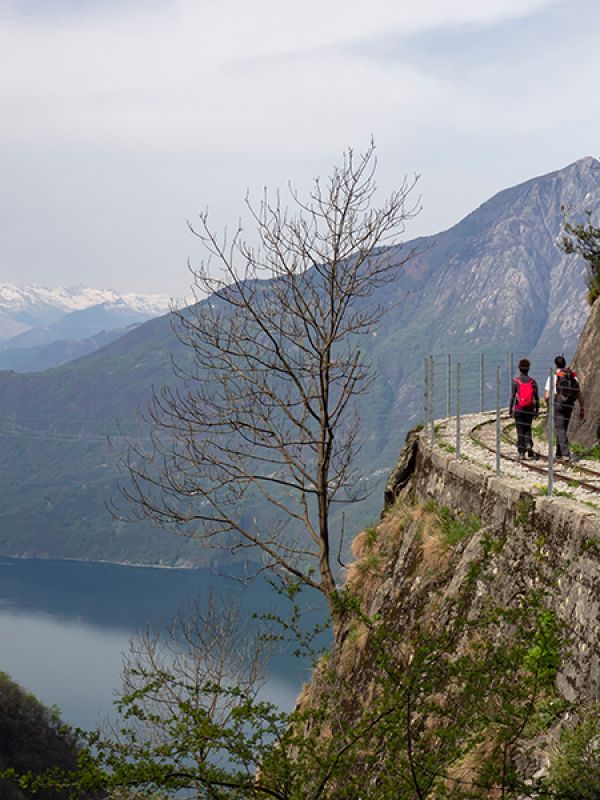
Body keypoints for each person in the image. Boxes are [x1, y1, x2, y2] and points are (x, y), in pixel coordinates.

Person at [544, 355, 585, 462]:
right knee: (562, 428)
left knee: (560, 429)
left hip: (558, 404)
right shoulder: (573, 376)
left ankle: (566, 454)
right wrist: (582, 408)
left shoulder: (553, 376)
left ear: (556, 364)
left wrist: (548, 406)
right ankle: (558, 453)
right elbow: (579, 394)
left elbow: (547, 396)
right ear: (565, 363)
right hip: (570, 404)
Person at [509, 358, 540, 460]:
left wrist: (510, 410)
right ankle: (529, 444)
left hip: (519, 409)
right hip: (529, 409)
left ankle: (521, 453)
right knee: (528, 428)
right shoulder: (533, 382)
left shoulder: (516, 381)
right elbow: (536, 397)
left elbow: (513, 396)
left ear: (519, 369)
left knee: (520, 430)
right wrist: (537, 411)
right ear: (528, 369)